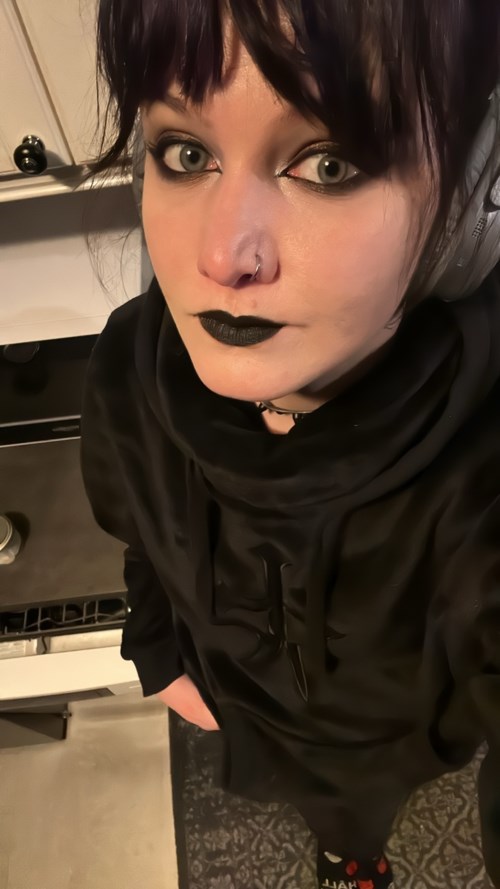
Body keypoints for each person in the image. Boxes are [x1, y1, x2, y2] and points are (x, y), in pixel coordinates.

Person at [80, 1, 500, 887]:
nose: (224, 256)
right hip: (239, 706)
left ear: (473, 198)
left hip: (380, 747)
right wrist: (155, 642)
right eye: (184, 153)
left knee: (354, 822)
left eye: (328, 162)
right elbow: (140, 532)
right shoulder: (130, 364)